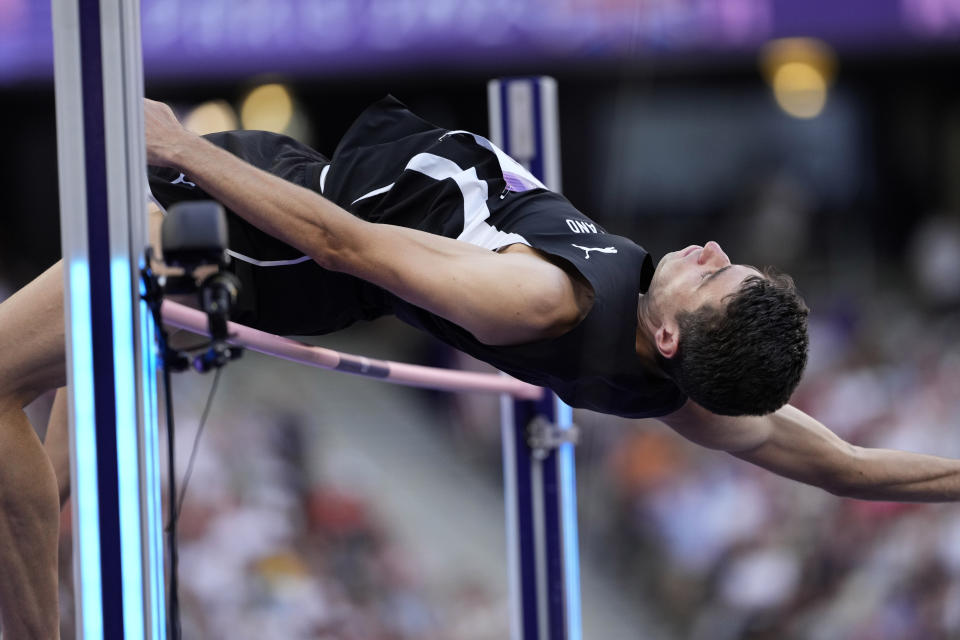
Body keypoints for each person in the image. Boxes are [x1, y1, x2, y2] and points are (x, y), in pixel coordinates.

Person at [1, 95, 959, 639]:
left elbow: (349, 249)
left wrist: (174, 145)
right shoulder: (684, 385)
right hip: (303, 182)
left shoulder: (539, 299)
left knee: (7, 388)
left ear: (671, 334)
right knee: (44, 449)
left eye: (716, 273)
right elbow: (850, 467)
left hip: (274, 241)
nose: (709, 246)